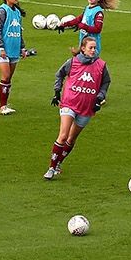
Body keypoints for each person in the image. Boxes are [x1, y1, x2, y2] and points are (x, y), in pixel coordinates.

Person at [44, 34, 110, 179]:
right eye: (91, 48)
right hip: (70, 103)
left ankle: (58, 163)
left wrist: (100, 98)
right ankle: (51, 168)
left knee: (71, 139)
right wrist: (57, 92)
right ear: (83, 49)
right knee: (63, 136)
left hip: (87, 107)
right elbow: (59, 74)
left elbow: (106, 82)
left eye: (95, 48)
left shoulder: (101, 65)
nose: (94, 50)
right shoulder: (73, 62)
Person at [54, 0, 118, 53]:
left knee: (77, 62)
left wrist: (84, 26)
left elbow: (98, 29)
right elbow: (78, 19)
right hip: (84, 45)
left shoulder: (98, 12)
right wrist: (64, 25)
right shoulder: (87, 8)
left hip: (92, 48)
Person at [0, 0, 24, 115]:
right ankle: (2, 106)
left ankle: (4, 103)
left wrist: (22, 48)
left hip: (14, 49)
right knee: (5, 76)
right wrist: (0, 47)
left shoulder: (17, 12)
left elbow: (19, 31)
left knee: (9, 78)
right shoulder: (2, 11)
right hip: (3, 50)